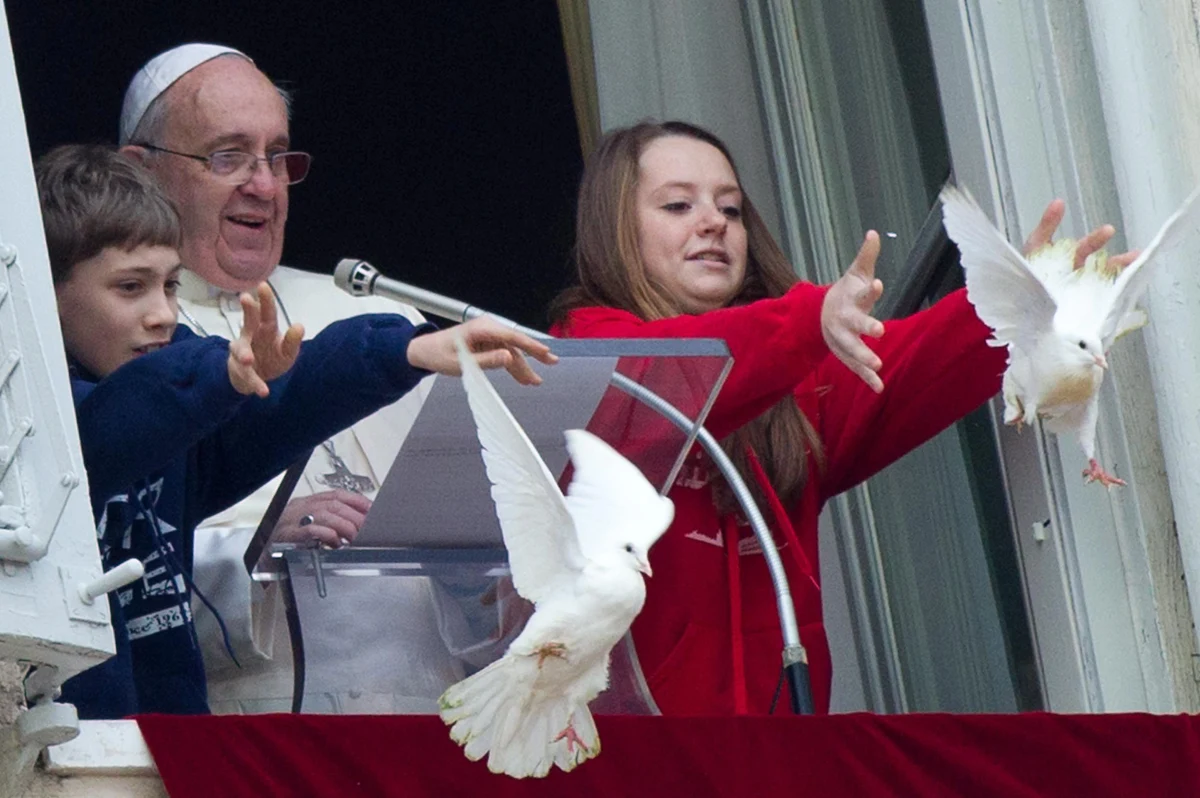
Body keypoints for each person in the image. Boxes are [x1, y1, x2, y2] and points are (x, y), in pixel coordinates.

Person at [550, 120, 1134, 716]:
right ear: (615, 229)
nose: (714, 222)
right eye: (678, 204)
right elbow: (670, 372)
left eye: (730, 208)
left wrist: (1033, 308)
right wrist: (807, 319)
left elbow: (913, 360)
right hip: (625, 758)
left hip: (777, 759)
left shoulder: (793, 383)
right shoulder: (581, 356)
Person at [38, 144, 555, 717]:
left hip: (165, 743)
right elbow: (110, 429)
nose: (163, 313)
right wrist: (221, 376)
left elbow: (288, 398)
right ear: (45, 293)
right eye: (130, 287)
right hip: (51, 745)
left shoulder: (181, 407)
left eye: (170, 286)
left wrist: (406, 351)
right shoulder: (36, 427)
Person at [116, 44, 459, 712]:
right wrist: (255, 549)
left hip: (435, 718)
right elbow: (105, 558)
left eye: (278, 156)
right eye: (228, 155)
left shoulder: (378, 312)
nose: (265, 186)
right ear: (142, 173)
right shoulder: (111, 333)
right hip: (249, 729)